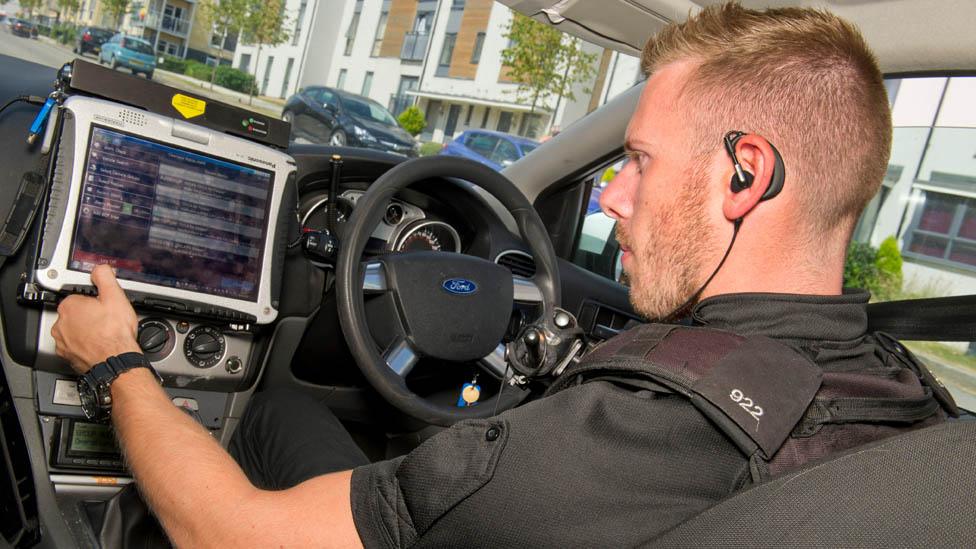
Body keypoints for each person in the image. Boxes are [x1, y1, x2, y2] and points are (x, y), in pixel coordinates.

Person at [51, 3, 952, 547]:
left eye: (636, 161)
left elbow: (230, 532)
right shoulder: (920, 415)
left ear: (745, 174)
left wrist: (117, 366)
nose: (609, 203)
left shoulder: (614, 446)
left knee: (278, 411)